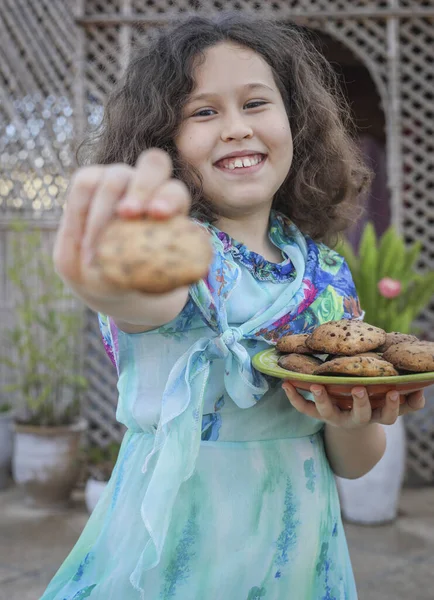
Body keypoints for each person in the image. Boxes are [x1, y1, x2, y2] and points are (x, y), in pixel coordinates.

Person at [41, 13, 425, 600]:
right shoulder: (178, 250)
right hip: (176, 548)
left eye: (255, 103)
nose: (236, 128)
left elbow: (353, 463)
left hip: (296, 554)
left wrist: (354, 416)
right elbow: (144, 299)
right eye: (203, 112)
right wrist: (105, 280)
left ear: (295, 122)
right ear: (163, 140)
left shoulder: (325, 273)